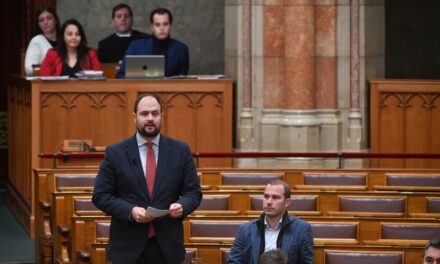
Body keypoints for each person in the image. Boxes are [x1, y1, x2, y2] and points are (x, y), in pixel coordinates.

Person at [92, 93, 202, 263]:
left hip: (167, 247)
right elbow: (101, 195)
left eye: (155, 113)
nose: (150, 118)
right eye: (144, 114)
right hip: (127, 247)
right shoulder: (116, 153)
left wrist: (182, 205)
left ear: (161, 116)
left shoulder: (180, 150)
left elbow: (193, 192)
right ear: (134, 117)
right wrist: (130, 211)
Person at [227, 180, 314, 264]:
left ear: (287, 202)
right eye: (266, 197)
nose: (269, 202)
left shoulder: (302, 229)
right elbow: (233, 261)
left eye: (275, 197)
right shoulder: (246, 229)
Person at [117, 7, 189, 78]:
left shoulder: (181, 50)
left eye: (165, 24)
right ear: (152, 27)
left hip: (169, 89)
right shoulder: (135, 46)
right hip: (140, 88)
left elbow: (182, 80)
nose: (161, 28)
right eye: (157, 25)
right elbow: (121, 75)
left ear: (170, 26)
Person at [24, 6, 60, 76]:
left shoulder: (64, 40)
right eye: (41, 20)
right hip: (43, 83)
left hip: (65, 82)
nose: (45, 22)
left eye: (49, 18)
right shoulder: (37, 41)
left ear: (55, 20)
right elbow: (29, 69)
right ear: (38, 25)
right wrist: (51, 69)